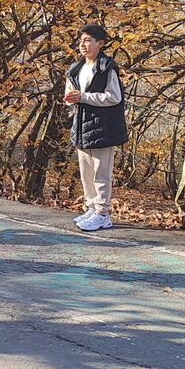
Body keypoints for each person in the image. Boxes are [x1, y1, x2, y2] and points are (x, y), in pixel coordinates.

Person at [63, 25, 127, 232]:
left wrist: (83, 97)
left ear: (101, 44)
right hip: (82, 125)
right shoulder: (75, 68)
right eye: (81, 40)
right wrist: (71, 99)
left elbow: (114, 97)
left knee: (101, 172)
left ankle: (102, 213)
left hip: (103, 127)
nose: (83, 44)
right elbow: (71, 96)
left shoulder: (106, 67)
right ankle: (91, 208)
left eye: (89, 40)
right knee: (86, 172)